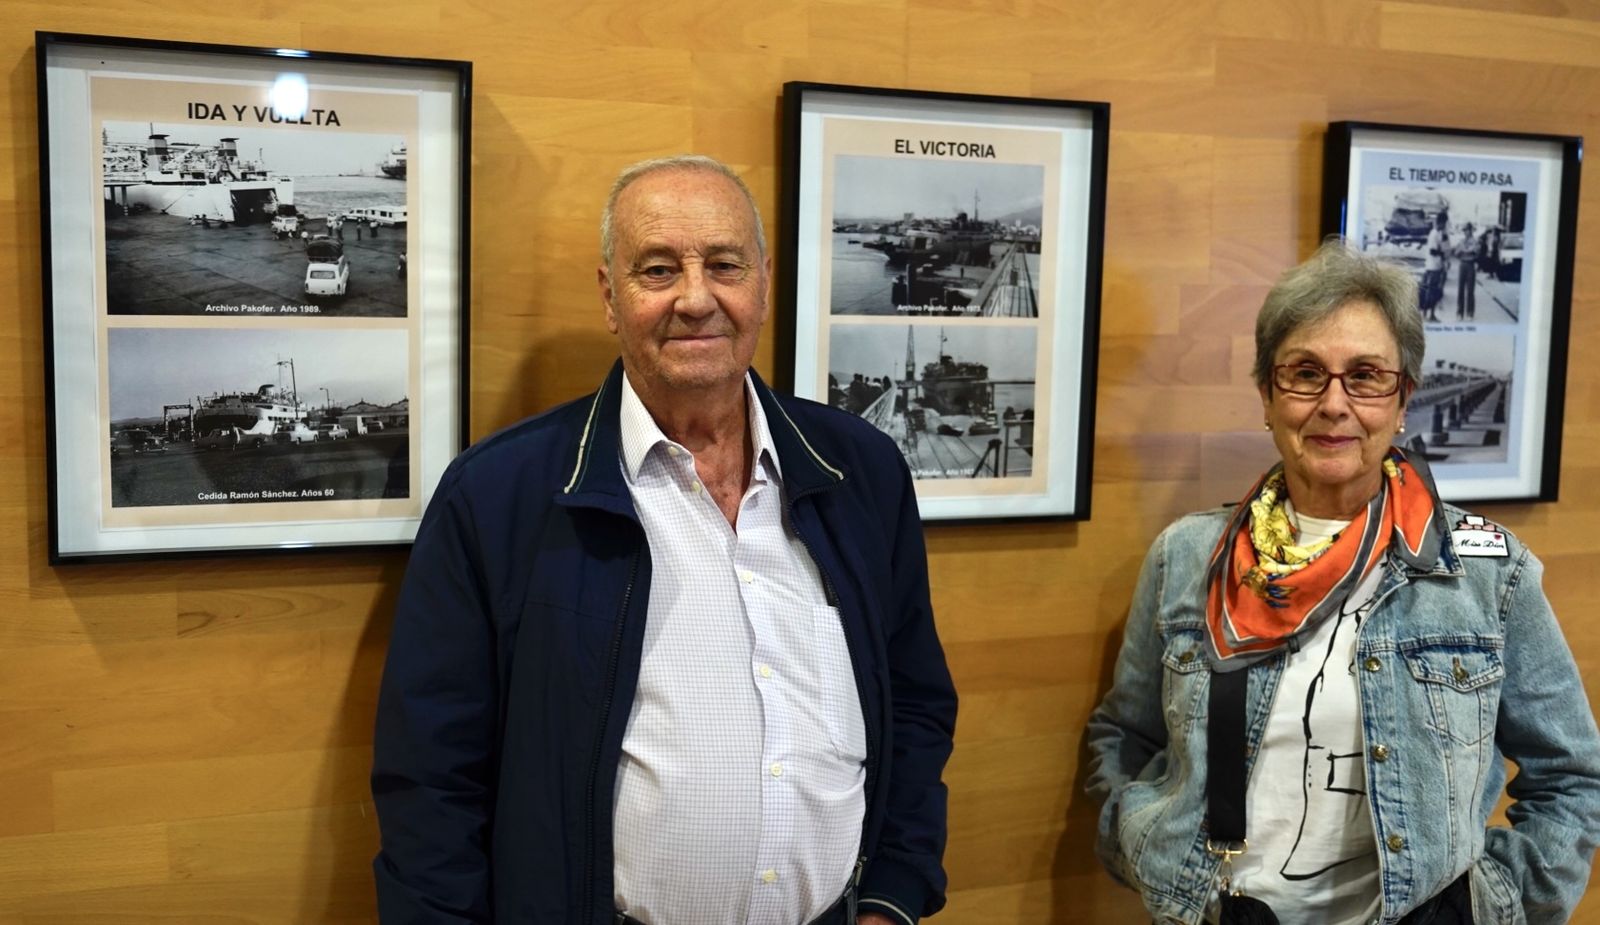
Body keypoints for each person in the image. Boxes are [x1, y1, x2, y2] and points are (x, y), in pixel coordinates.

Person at [371, 155, 958, 925]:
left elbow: (914, 703)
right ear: (611, 298)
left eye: (723, 264)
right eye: (657, 270)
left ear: (763, 284)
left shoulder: (861, 471)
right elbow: (431, 780)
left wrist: (892, 898)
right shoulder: (498, 497)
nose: (695, 297)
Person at [1085, 240, 1600, 925]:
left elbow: (1571, 777)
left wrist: (1493, 906)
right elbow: (1123, 734)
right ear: (1267, 395)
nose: (1334, 404)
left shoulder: (1486, 571)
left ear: (1402, 398)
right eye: (1304, 373)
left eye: (1365, 376)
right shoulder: (1186, 556)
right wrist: (1143, 844)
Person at [1419, 211, 1447, 322]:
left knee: (1432, 291)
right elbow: (1432, 251)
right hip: (1433, 267)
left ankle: (1429, 315)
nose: (1444, 226)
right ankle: (1429, 315)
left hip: (1436, 266)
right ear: (1441, 222)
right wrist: (1442, 253)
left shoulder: (1438, 234)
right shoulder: (1434, 234)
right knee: (1432, 292)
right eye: (1444, 223)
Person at [1455, 222, 1479, 320]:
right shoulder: (1461, 241)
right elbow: (1456, 253)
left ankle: (1470, 313)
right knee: (1460, 289)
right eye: (1464, 230)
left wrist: (1464, 250)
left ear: (1470, 230)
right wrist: (1465, 251)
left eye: (1467, 230)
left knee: (1470, 290)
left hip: (1470, 265)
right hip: (1462, 264)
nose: (1465, 232)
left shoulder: (1475, 241)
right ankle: (1460, 313)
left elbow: (1475, 252)